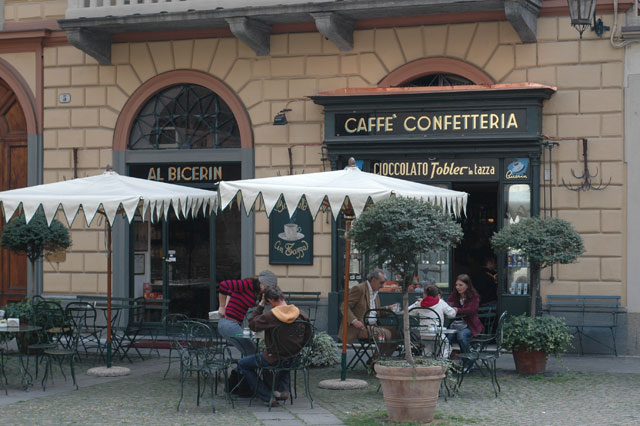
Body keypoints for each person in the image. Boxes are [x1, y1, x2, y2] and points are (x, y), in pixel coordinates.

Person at [237, 285, 312, 407]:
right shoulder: (302, 314)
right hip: (295, 359)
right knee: (287, 355)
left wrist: (261, 305)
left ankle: (267, 396)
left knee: (243, 364)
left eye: (267, 301)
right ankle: (283, 390)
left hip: (274, 358)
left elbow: (252, 324)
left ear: (270, 300)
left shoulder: (271, 316)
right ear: (282, 297)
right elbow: (308, 340)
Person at [338, 268, 398, 357]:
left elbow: (374, 311)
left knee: (397, 333)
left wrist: (388, 309)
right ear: (373, 280)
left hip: (373, 325)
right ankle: (376, 361)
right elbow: (344, 306)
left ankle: (383, 358)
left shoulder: (375, 291)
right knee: (386, 333)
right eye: (381, 283)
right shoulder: (359, 289)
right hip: (361, 327)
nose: (382, 286)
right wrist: (354, 321)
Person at [217, 269, 277, 357]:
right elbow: (224, 285)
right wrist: (222, 306)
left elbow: (231, 291)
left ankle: (240, 370)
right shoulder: (248, 284)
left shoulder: (258, 293)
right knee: (251, 351)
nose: (269, 290)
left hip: (235, 325)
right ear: (262, 283)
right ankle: (242, 370)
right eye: (268, 287)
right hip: (228, 324)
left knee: (250, 349)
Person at [409, 285, 457, 357]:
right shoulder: (441, 302)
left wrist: (416, 303)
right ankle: (442, 362)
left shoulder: (419, 304)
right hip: (437, 334)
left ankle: (427, 364)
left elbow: (408, 312)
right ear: (438, 295)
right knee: (445, 345)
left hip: (423, 334)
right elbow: (452, 314)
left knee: (428, 347)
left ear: (424, 294)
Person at [447, 274, 483, 369]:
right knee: (447, 338)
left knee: (461, 336)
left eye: (460, 285)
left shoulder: (474, 296)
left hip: (470, 325)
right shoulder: (454, 294)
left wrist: (457, 310)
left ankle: (468, 362)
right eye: (456, 285)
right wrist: (453, 308)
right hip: (456, 324)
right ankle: (444, 362)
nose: (457, 287)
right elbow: (448, 305)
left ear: (467, 285)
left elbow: (471, 310)